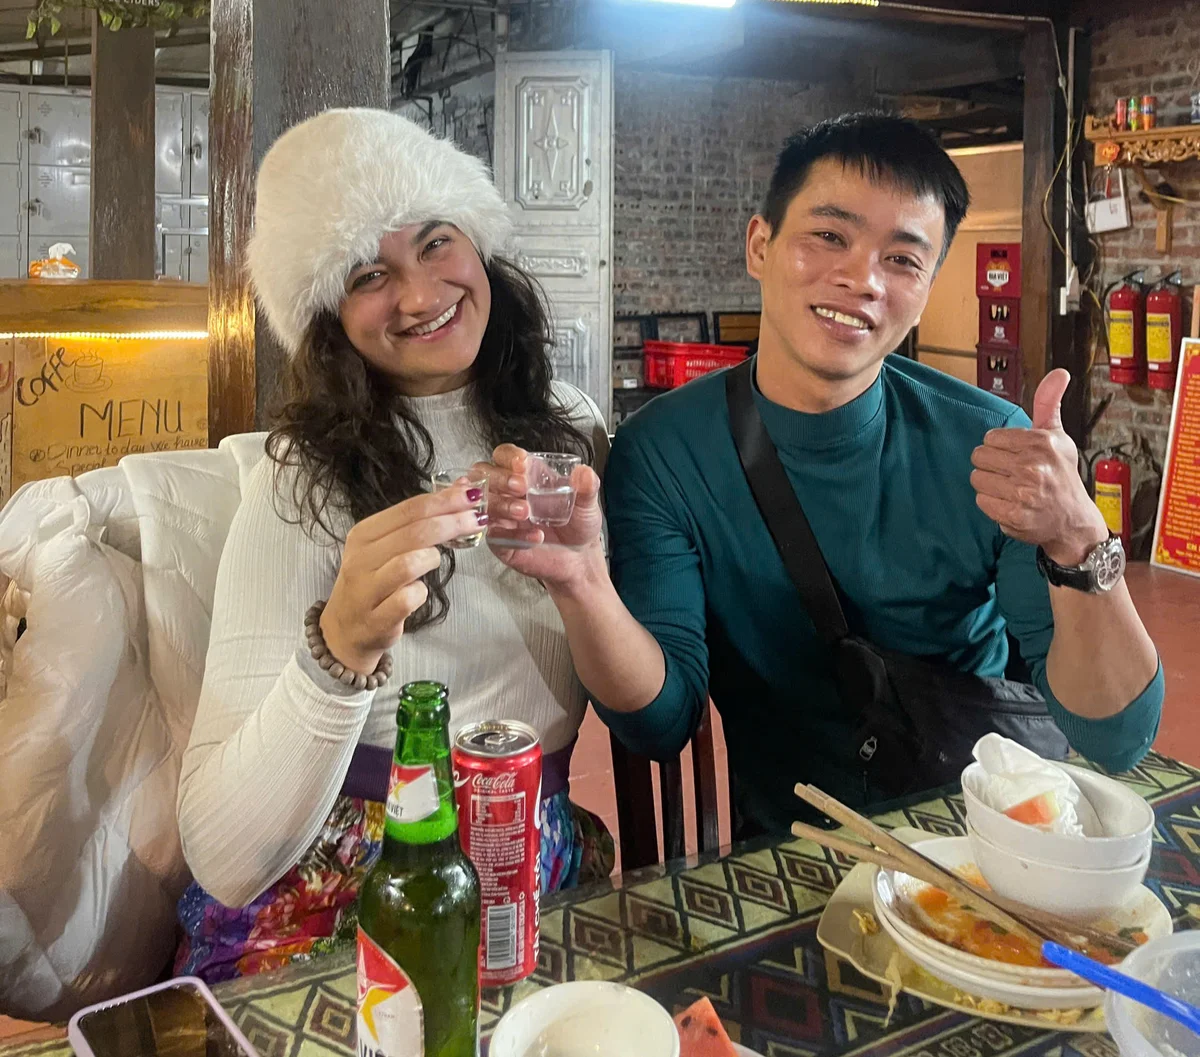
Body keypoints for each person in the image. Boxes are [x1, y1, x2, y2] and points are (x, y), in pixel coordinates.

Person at [484, 112, 1163, 838]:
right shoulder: (667, 451)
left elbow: (1116, 735)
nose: (861, 278)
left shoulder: (991, 444)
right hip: (789, 850)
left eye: (902, 260)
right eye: (830, 235)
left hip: (984, 840)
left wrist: (1079, 537)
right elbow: (660, 721)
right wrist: (583, 581)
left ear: (929, 285)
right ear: (760, 245)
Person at [174, 107, 612, 983]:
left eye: (437, 242)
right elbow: (223, 856)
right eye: (370, 272)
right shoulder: (299, 482)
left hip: (537, 849)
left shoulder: (573, 429)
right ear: (328, 314)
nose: (420, 293)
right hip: (349, 884)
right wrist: (337, 649)